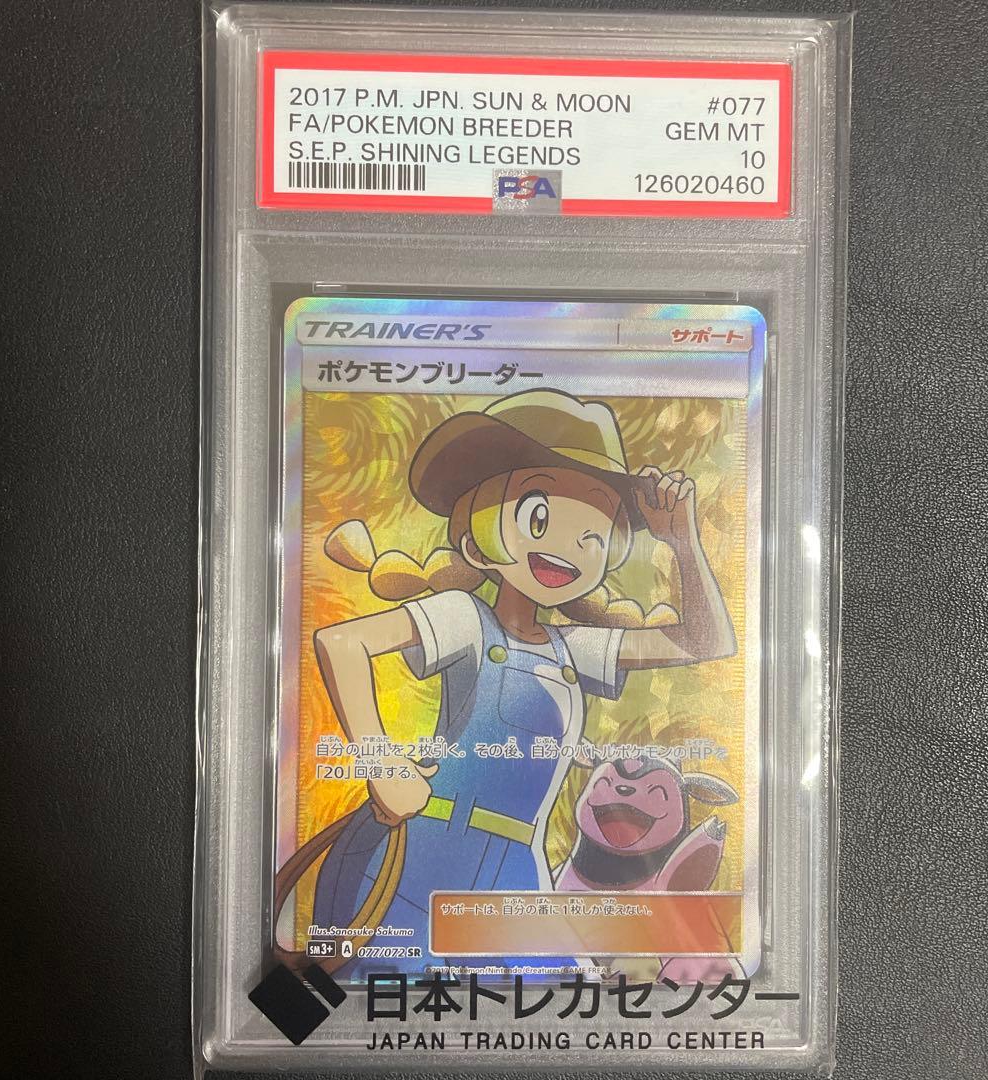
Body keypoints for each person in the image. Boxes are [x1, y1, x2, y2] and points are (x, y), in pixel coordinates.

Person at [310, 389, 736, 978]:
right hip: (424, 851)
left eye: (593, 534)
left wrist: (683, 539)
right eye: (540, 515)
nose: (568, 545)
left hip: (516, 869)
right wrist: (381, 763)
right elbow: (342, 642)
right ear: (478, 532)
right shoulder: (463, 617)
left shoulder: (573, 647)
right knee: (342, 1003)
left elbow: (705, 643)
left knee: (570, 998)